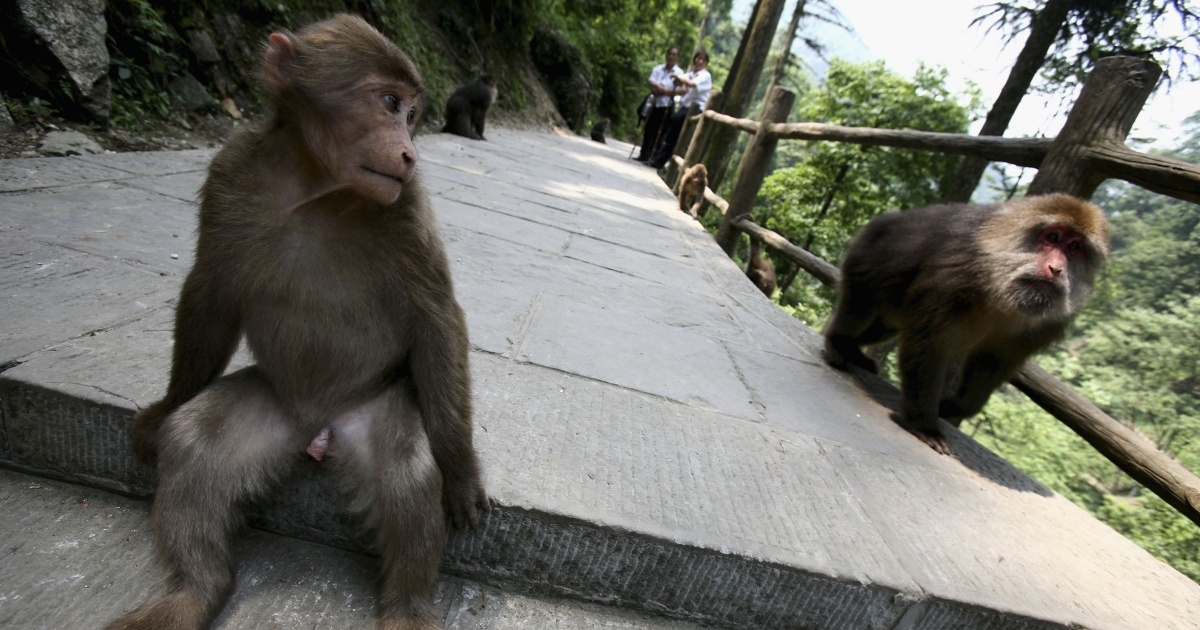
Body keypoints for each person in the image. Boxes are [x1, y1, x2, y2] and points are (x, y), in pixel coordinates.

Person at [650, 51, 713, 169]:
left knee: (675, 123)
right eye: (698, 59)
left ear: (706, 63)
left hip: (696, 107)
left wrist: (680, 80)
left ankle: (666, 161)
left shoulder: (705, 76)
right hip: (685, 106)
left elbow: (692, 84)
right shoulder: (690, 74)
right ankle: (660, 160)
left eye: (703, 60)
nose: (699, 62)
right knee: (673, 130)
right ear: (695, 60)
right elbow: (678, 81)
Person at [636, 46, 683, 164]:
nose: (671, 57)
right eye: (669, 54)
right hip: (654, 101)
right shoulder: (658, 69)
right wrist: (657, 88)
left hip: (667, 104)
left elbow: (681, 90)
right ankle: (643, 154)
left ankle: (653, 156)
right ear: (666, 55)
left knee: (661, 131)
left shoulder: (679, 73)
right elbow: (651, 81)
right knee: (648, 127)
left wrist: (666, 91)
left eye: (674, 55)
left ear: (677, 57)